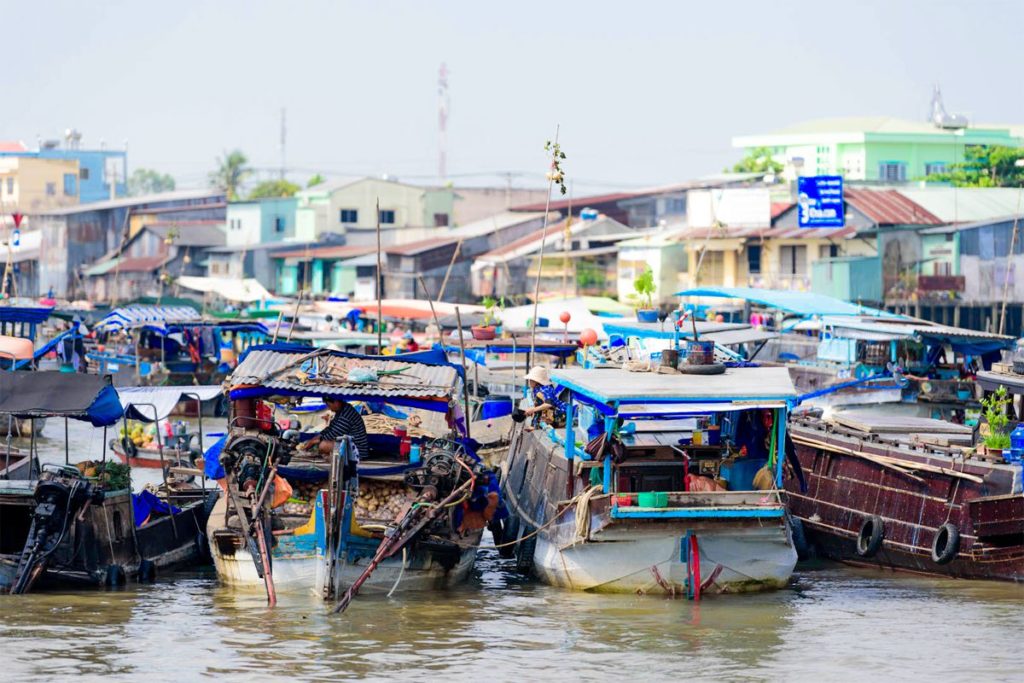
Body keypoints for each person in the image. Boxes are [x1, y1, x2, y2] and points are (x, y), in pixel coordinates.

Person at [299, 397, 369, 460]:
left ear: (336, 402)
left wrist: (316, 440)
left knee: (323, 445)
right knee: (318, 442)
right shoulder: (342, 410)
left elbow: (335, 433)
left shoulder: (346, 414)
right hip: (350, 445)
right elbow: (330, 428)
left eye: (329, 405)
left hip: (358, 451)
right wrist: (318, 436)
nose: (329, 408)